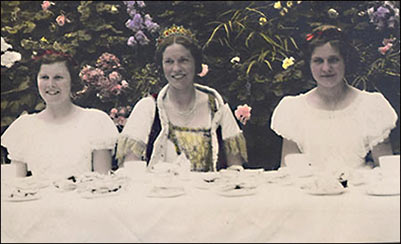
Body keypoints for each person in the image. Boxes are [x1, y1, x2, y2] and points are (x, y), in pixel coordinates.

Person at [116, 25, 247, 172]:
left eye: (183, 60)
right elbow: (130, 168)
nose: (176, 69)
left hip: (210, 193)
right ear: (161, 65)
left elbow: (235, 167)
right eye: (169, 61)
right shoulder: (148, 108)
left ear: (196, 63)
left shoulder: (217, 106)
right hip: (159, 193)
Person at [271, 25, 398, 173]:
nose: (326, 68)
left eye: (333, 60)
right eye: (318, 61)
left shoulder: (371, 106)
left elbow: (386, 171)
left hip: (359, 192)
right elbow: (290, 172)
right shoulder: (293, 109)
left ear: (346, 61)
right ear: (309, 64)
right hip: (310, 193)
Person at [1, 49, 119, 179]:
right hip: (39, 198)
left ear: (71, 81)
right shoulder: (25, 126)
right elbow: (17, 185)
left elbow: (102, 183)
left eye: (58, 77)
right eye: (44, 77)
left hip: (83, 198)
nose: (51, 84)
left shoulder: (95, 121)